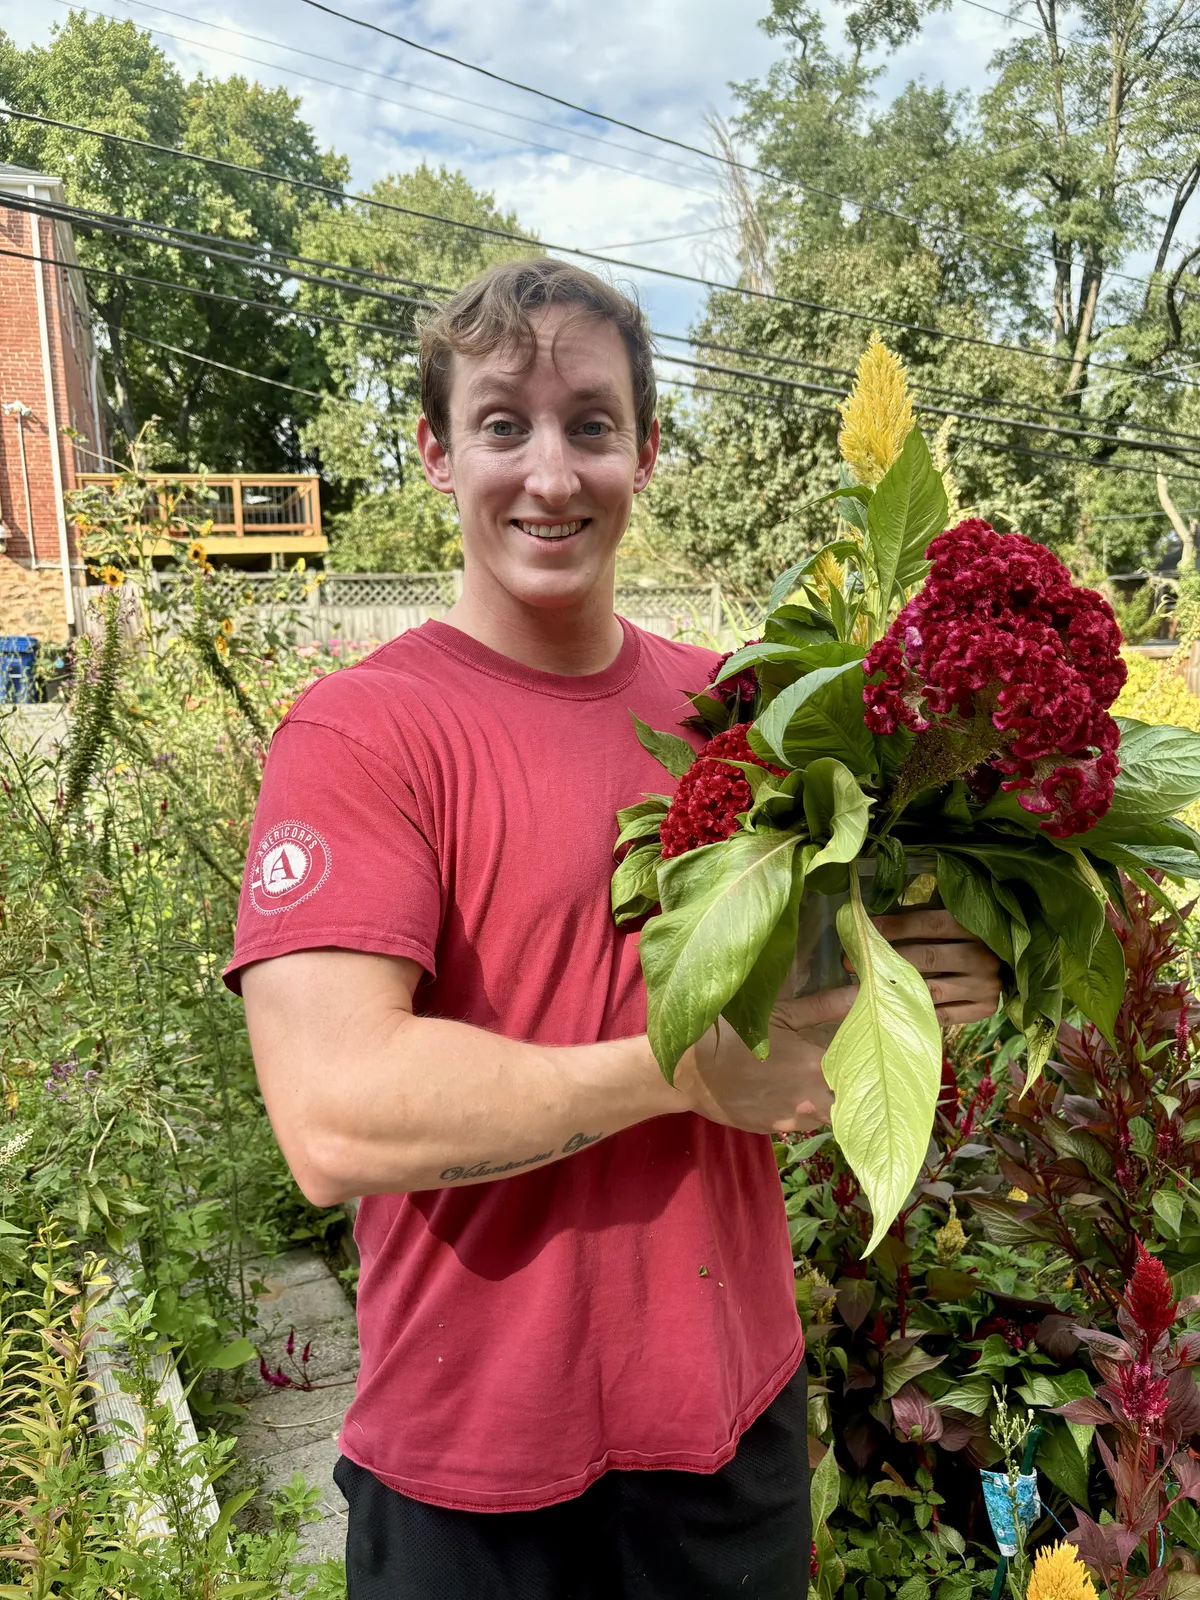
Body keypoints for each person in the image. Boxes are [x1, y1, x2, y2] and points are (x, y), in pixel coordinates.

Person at [228, 258, 1001, 1600]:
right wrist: (681, 1075)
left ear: (646, 451)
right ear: (435, 450)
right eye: (502, 424)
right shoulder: (362, 733)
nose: (550, 472)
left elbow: (834, 992)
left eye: (590, 424)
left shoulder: (746, 713)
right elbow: (334, 1117)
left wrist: (940, 969)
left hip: (727, 1439)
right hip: (472, 1472)